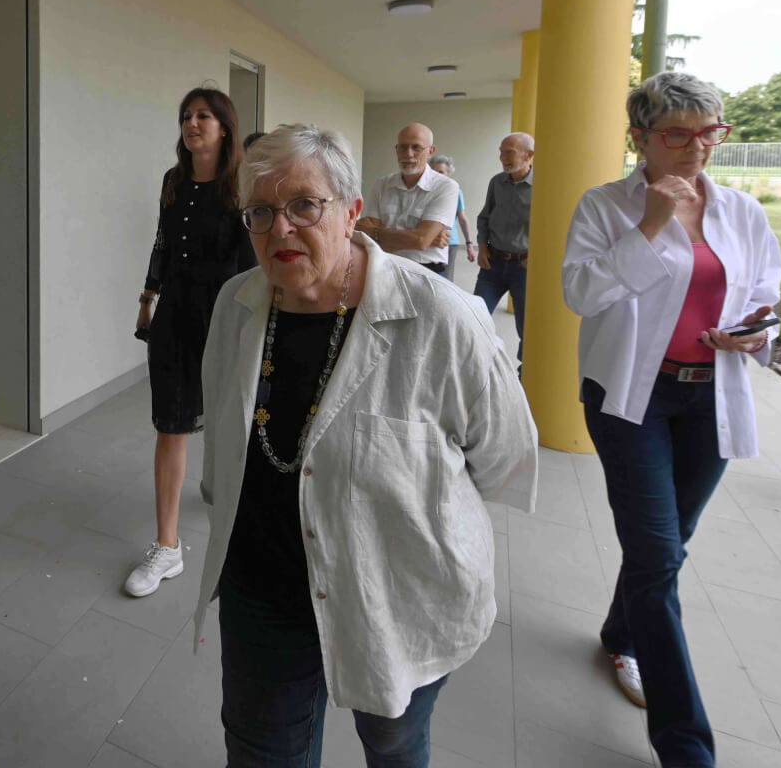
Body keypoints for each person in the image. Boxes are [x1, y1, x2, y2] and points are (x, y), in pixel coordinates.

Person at [195, 124, 538, 768]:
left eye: (304, 204)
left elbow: (505, 458)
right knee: (261, 752)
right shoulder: (234, 304)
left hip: (394, 590)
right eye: (260, 212)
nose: (280, 228)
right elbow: (222, 433)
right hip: (263, 586)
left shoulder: (442, 318)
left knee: (393, 744)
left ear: (353, 211)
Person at [563, 72, 781, 768]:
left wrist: (757, 331)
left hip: (709, 395)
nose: (697, 148)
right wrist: (652, 225)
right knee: (659, 557)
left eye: (709, 132)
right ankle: (686, 746)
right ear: (641, 138)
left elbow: (766, 291)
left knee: (667, 542)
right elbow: (581, 291)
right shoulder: (606, 206)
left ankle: (620, 630)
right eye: (678, 135)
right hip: (633, 398)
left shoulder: (741, 211)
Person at [129, 88, 255, 596]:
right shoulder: (174, 181)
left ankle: (242, 518)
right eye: (186, 115)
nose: (192, 123)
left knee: (236, 423)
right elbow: (162, 243)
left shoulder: (243, 185)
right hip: (175, 317)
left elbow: (253, 263)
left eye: (204, 115)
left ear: (225, 127)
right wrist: (148, 297)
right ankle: (167, 546)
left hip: (227, 317)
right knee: (171, 424)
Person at [360, 123, 458, 274]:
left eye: (416, 147)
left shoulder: (446, 186)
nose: (408, 154)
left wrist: (376, 233)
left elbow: (421, 240)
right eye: (403, 147)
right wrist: (420, 237)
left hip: (426, 272)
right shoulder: (382, 184)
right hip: (385, 268)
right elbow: (364, 233)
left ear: (431, 151)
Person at [474, 132, 535, 362]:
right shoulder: (496, 182)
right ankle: (477, 364)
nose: (503, 158)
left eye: (509, 152)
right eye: (501, 152)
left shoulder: (543, 186)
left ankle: (524, 374)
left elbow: (551, 225)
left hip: (524, 267)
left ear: (529, 155)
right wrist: (482, 247)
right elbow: (484, 218)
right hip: (494, 263)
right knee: (474, 318)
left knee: (527, 329)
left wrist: (536, 256)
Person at [428, 154, 477, 281]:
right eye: (433, 171)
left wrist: (469, 244)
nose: (437, 175)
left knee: (446, 279)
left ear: (448, 174)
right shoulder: (424, 191)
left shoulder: (456, 192)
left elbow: (462, 219)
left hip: (449, 242)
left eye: (441, 172)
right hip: (427, 240)